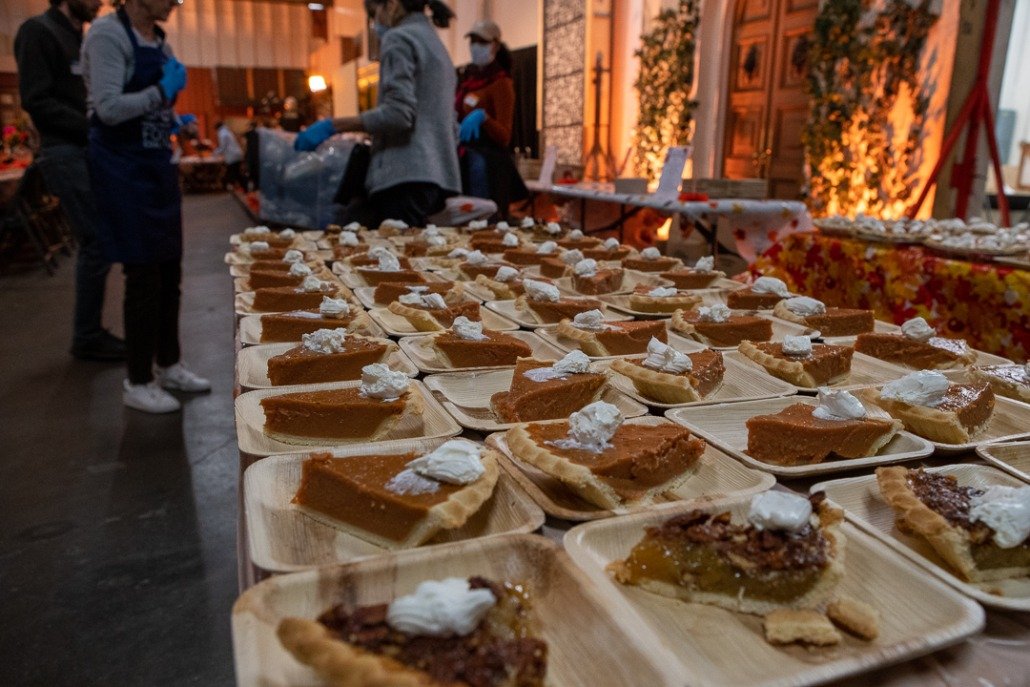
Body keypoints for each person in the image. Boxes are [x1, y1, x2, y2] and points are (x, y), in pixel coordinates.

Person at [83, 0, 210, 413]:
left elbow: (154, 105)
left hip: (157, 167)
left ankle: (169, 363)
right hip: (123, 169)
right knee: (143, 274)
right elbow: (108, 108)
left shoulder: (161, 42)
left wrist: (174, 121)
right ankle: (137, 380)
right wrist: (160, 91)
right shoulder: (108, 35)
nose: (176, 2)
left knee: (169, 269)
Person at [15, 0, 126, 362]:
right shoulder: (38, 31)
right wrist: (94, 126)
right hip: (64, 150)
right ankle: (87, 335)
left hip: (86, 149)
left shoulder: (81, 36)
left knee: (101, 239)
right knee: (95, 239)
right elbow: (37, 100)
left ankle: (89, 332)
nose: (100, 2)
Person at [295, 0, 461, 228]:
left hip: (404, 174)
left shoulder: (399, 38)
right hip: (436, 176)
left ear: (392, 5)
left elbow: (399, 114)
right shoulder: (435, 44)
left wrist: (333, 125)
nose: (375, 23)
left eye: (375, 14)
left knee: (391, 258)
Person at [455, 19, 527, 218]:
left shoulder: (501, 83)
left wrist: (483, 118)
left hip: (488, 166)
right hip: (465, 159)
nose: (476, 46)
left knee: (485, 221)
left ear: (494, 45)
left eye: (482, 42)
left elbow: (505, 136)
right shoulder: (468, 80)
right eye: (473, 40)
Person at [214, 120, 244, 189]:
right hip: (236, 154)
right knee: (236, 172)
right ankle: (240, 187)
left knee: (234, 172)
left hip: (232, 156)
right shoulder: (227, 131)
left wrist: (215, 153)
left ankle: (238, 186)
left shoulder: (222, 133)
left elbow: (223, 146)